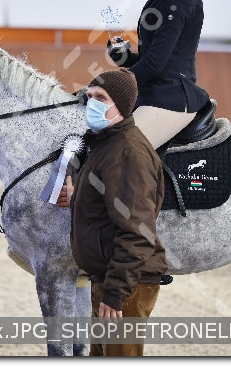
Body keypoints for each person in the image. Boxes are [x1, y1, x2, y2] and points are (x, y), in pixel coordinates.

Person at [57, 68, 169, 357]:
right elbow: (109, 203)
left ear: (120, 104)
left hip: (126, 285)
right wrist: (77, 193)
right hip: (108, 278)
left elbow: (137, 232)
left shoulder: (127, 153)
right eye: (90, 95)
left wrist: (117, 293)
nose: (92, 102)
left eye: (101, 97)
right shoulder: (105, 144)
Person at [108, 0, 211, 150]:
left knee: (120, 150)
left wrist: (110, 86)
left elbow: (155, 65)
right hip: (154, 92)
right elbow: (152, 60)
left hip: (171, 98)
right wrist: (125, 58)